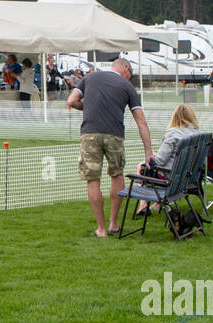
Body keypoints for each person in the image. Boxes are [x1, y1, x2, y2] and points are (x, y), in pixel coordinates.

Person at [66, 57, 154, 238]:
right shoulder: (127, 86)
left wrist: (88, 107)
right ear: (126, 68)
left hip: (90, 133)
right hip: (114, 135)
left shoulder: (90, 78)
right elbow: (141, 121)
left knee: (93, 179)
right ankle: (114, 224)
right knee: (117, 174)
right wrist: (148, 152)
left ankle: (102, 229)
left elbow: (71, 100)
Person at [132, 104, 200, 217]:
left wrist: (152, 157)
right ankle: (157, 205)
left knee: (142, 167)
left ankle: (143, 206)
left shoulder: (173, 134)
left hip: (170, 178)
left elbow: (159, 161)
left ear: (175, 117)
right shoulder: (198, 134)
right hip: (187, 178)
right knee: (149, 165)